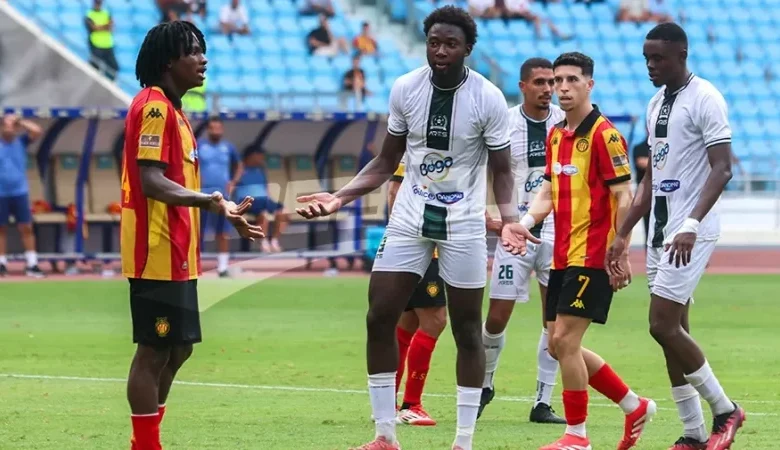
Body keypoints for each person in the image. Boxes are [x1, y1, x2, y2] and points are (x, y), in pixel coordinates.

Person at [295, 7, 527, 450]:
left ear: (467, 49)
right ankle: (385, 435)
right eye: (434, 43)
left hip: (462, 223)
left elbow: (501, 170)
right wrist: (339, 197)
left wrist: (510, 221)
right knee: (379, 316)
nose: (440, 51)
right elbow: (386, 161)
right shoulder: (406, 87)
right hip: (409, 217)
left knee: (466, 328)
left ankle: (463, 441)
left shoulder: (489, 98)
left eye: (451, 44)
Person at [503, 52, 656, 450]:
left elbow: (623, 195)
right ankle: (634, 405)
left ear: (590, 84)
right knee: (556, 344)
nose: (563, 88)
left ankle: (577, 436)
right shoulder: (556, 135)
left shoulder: (605, 135)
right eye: (558, 81)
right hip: (562, 254)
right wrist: (525, 222)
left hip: (594, 255)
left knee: (566, 343)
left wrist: (621, 250)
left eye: (572, 79)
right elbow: (548, 190)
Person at [122, 21, 263, 450]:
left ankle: (146, 440)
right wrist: (209, 201)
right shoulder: (154, 108)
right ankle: (146, 445)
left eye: (203, 50)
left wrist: (220, 206)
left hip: (179, 248)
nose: (203, 59)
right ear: (169, 61)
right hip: (155, 248)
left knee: (179, 347)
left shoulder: (176, 111)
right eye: (193, 52)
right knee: (154, 349)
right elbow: (151, 180)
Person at [607, 23, 745, 450]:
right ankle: (693, 433)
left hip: (689, 230)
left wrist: (691, 224)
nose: (650, 65)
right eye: (646, 58)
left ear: (682, 55)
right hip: (660, 231)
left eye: (658, 58)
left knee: (661, 324)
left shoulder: (706, 97)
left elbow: (723, 168)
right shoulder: (655, 103)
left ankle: (726, 410)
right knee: (674, 330)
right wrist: (624, 231)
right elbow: (653, 177)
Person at [479, 57, 565, 425]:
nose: (548, 89)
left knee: (555, 322)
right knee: (497, 316)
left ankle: (542, 402)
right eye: (540, 82)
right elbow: (485, 170)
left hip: (557, 233)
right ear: (523, 86)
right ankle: (485, 384)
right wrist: (488, 215)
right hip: (514, 231)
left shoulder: (565, 122)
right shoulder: (505, 122)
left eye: (552, 82)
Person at [389, 156, 447, 427]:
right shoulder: (423, 149)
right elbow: (394, 190)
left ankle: (387, 403)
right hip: (424, 243)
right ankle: (411, 404)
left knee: (407, 323)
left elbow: (393, 190)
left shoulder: (410, 150)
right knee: (435, 320)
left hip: (412, 244)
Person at [197, 117, 243, 277]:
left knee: (223, 232)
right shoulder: (199, 145)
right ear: (208, 130)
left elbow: (239, 165)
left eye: (218, 128)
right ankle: (195, 266)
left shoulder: (228, 147)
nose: (215, 131)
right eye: (212, 128)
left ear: (222, 129)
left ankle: (222, 267)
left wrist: (234, 182)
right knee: (198, 232)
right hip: (201, 195)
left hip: (223, 196)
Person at [0, 113, 44, 278]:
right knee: (1, 229)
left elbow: (37, 131)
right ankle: (1, 264)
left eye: (12, 126)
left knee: (26, 227)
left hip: (20, 192)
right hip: (1, 193)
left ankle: (32, 264)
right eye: (6, 125)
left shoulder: (21, 141)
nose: (9, 128)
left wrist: (19, 121)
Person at [233, 150, 289, 253]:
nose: (261, 159)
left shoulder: (260, 170)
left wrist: (269, 199)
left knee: (284, 212)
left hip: (264, 200)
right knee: (263, 213)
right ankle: (264, 242)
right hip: (247, 200)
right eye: (259, 156)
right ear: (251, 156)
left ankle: (274, 241)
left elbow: (266, 188)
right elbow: (232, 184)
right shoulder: (239, 170)